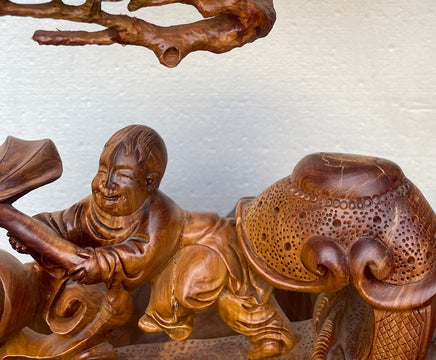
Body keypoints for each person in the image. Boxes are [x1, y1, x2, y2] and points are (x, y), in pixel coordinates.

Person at [3, 125, 296, 360]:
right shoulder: (94, 207)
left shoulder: (161, 216)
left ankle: (272, 336)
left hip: (209, 245)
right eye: (103, 171)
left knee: (231, 296)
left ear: (149, 184)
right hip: (129, 286)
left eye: (123, 176)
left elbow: (133, 261)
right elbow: (59, 223)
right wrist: (32, 232)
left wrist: (85, 260)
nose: (107, 184)